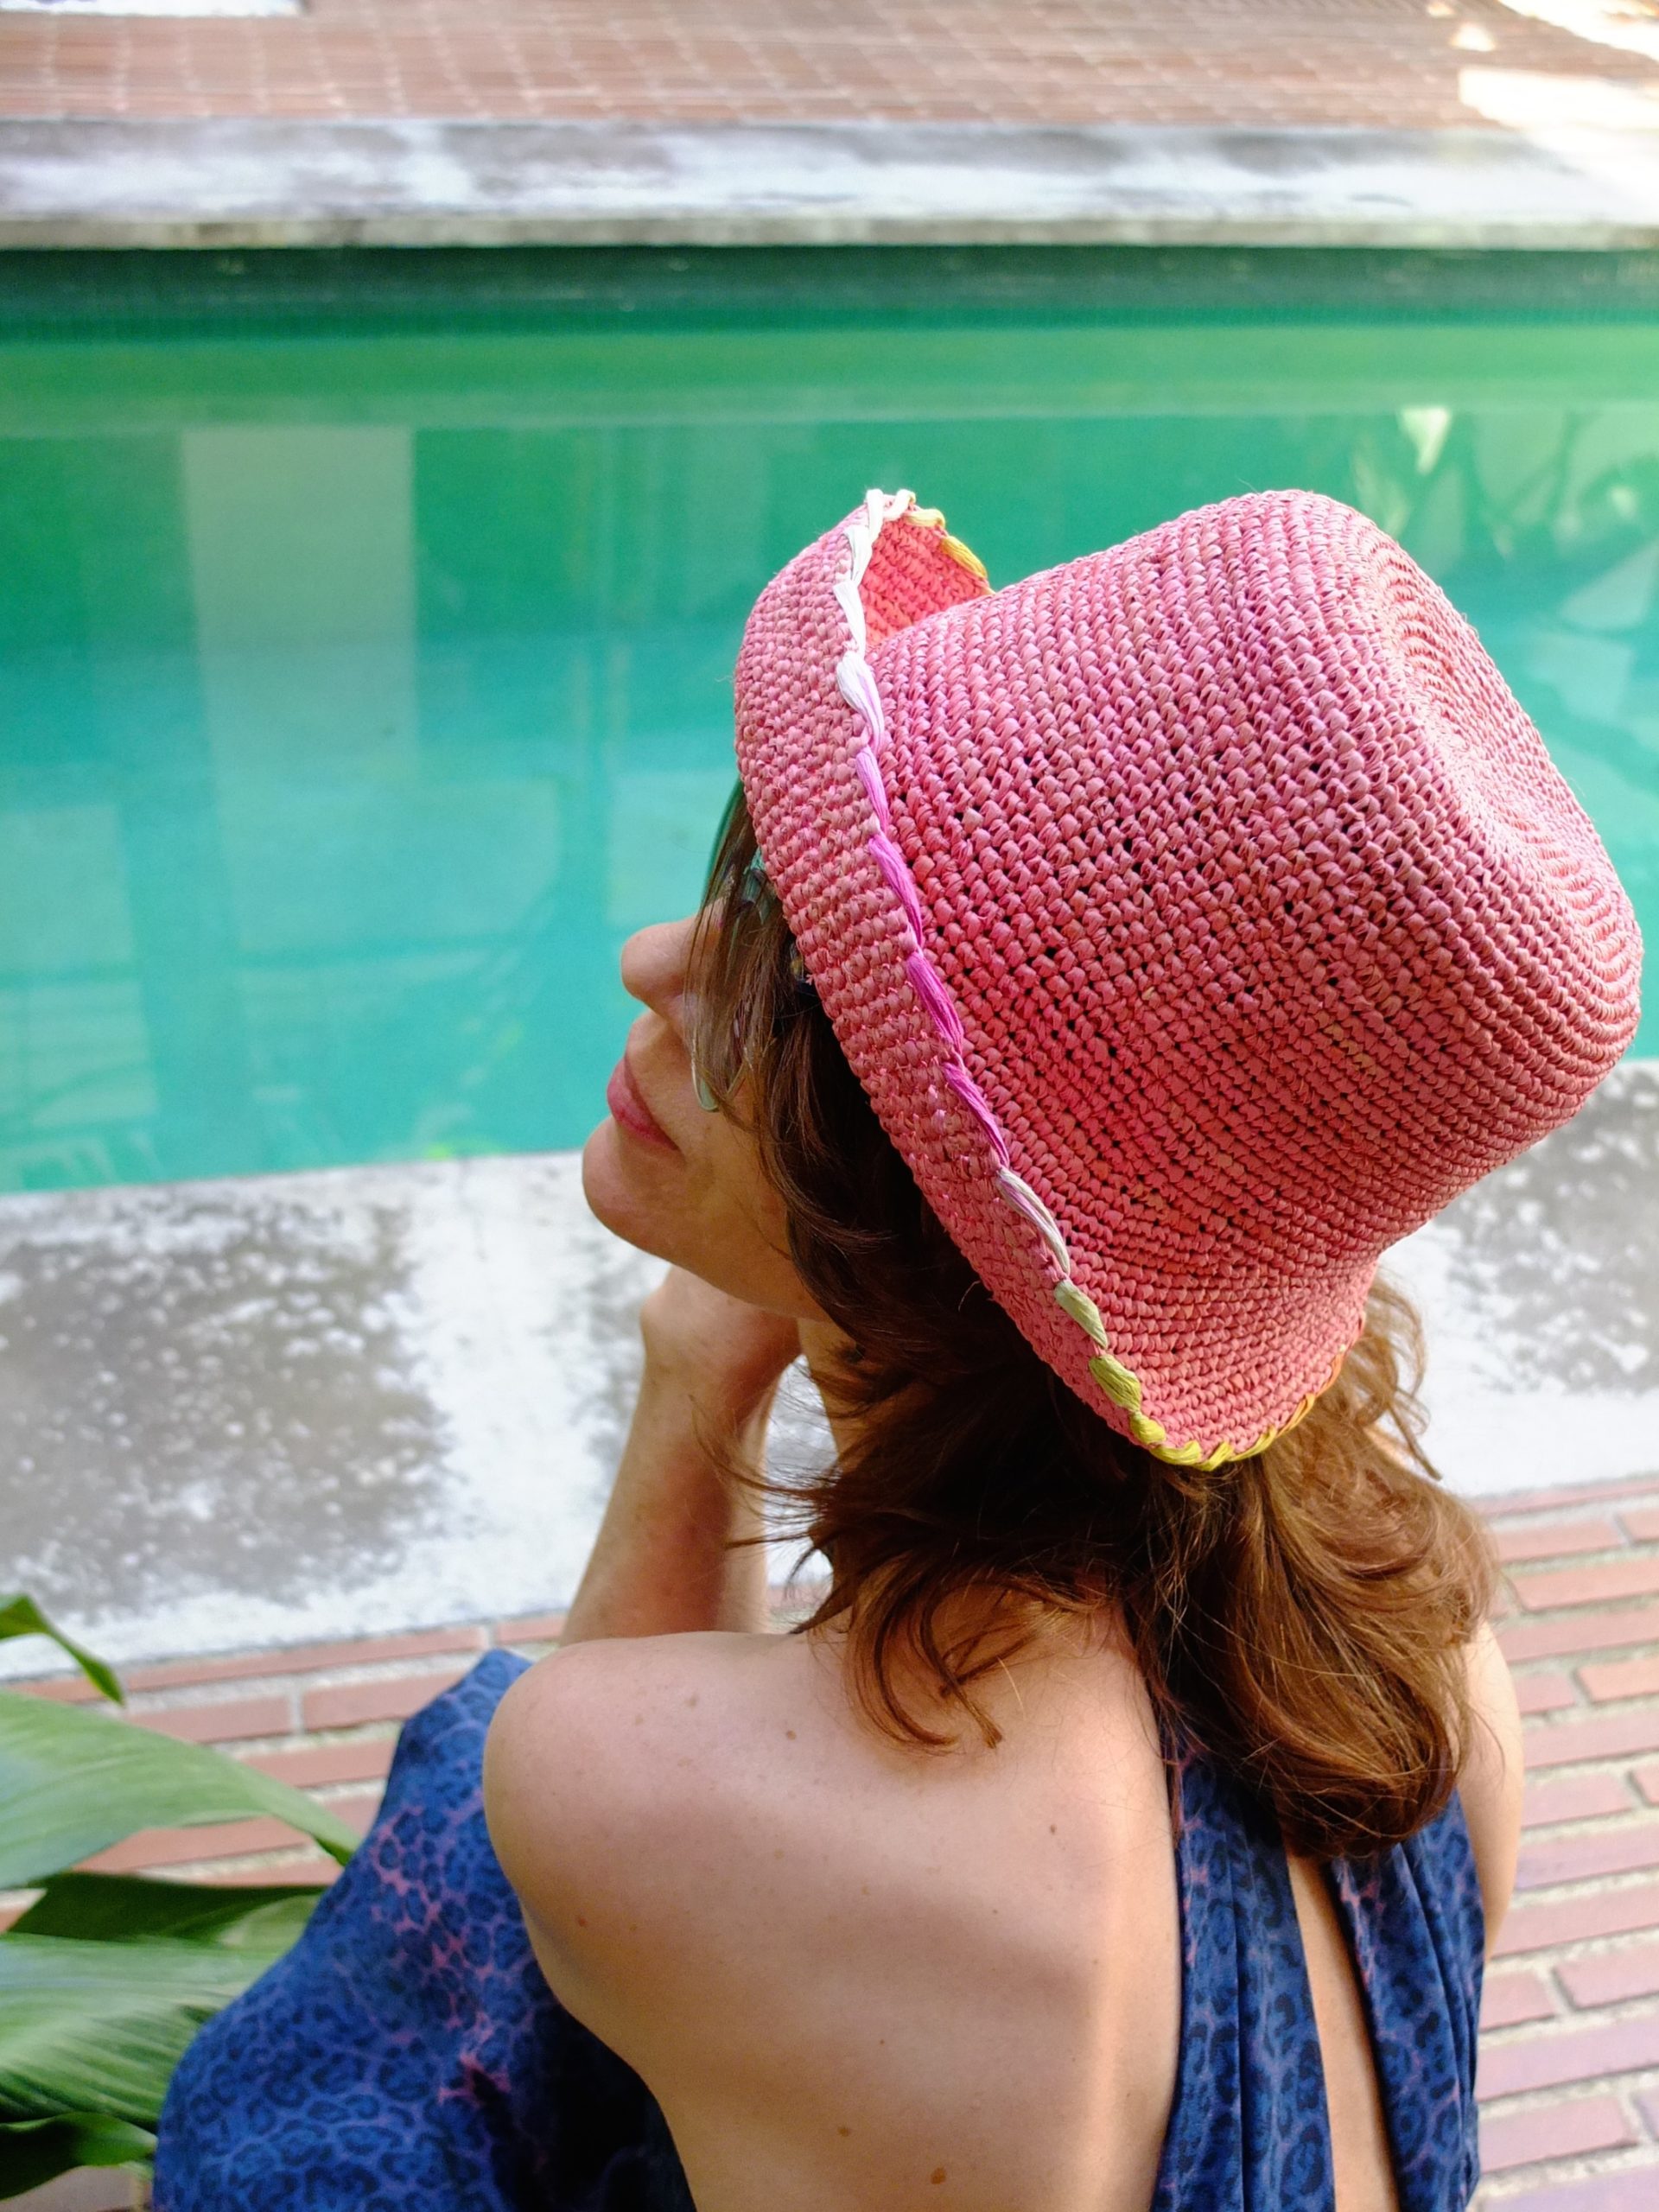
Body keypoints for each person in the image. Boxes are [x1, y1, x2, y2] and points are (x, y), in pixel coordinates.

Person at [154, 486, 1643, 2212]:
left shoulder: (632, 1792)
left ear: (925, 1197)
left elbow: (559, 1972)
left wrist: (692, 1386)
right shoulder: (1437, 1703)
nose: (655, 963)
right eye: (756, 883)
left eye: (803, 981)